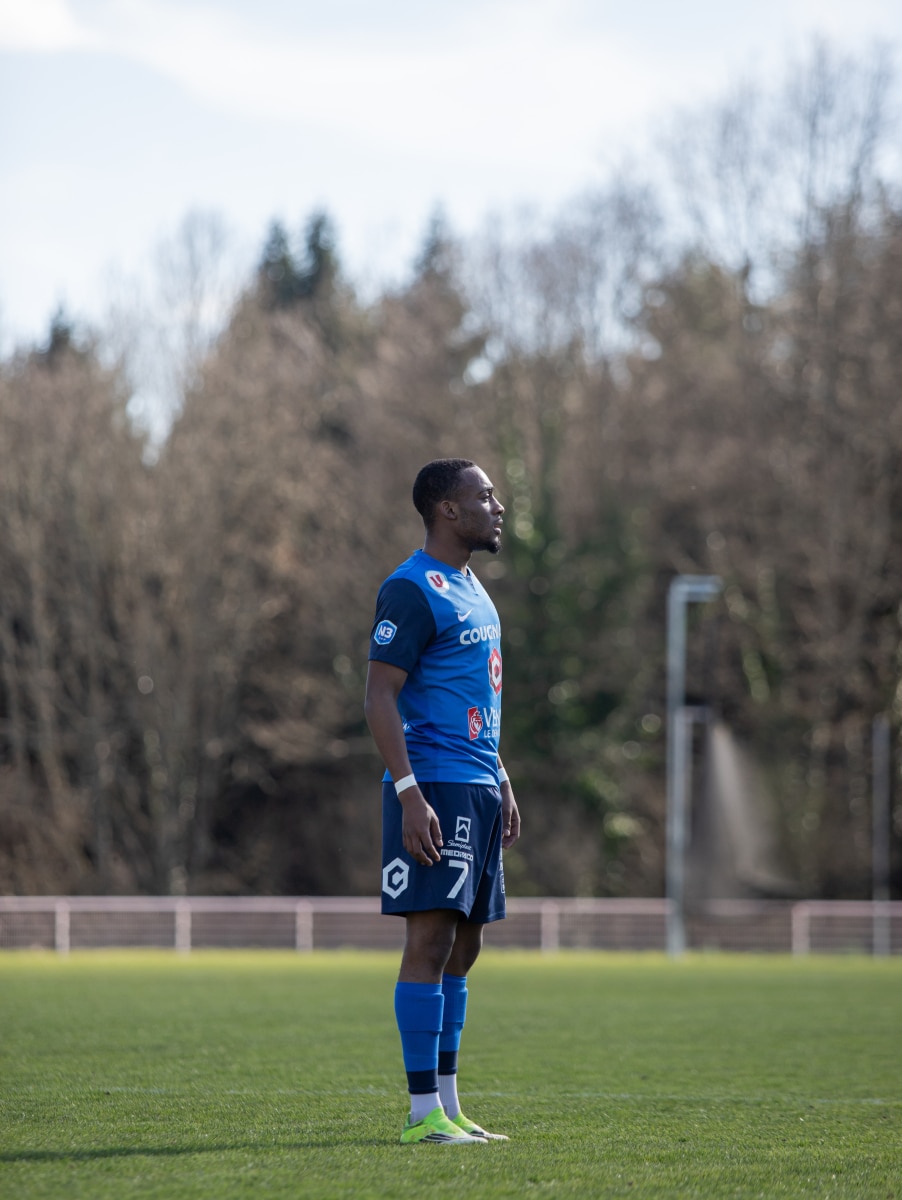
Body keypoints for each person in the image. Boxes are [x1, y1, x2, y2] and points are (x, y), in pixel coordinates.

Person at [364, 458, 521, 1145]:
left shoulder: (473, 587)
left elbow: (472, 694)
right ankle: (421, 1113)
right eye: (484, 496)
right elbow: (379, 696)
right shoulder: (410, 588)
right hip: (434, 784)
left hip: (479, 784)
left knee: (465, 946)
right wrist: (409, 793)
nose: (497, 506)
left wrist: (502, 776)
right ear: (448, 510)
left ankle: (450, 1106)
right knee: (429, 941)